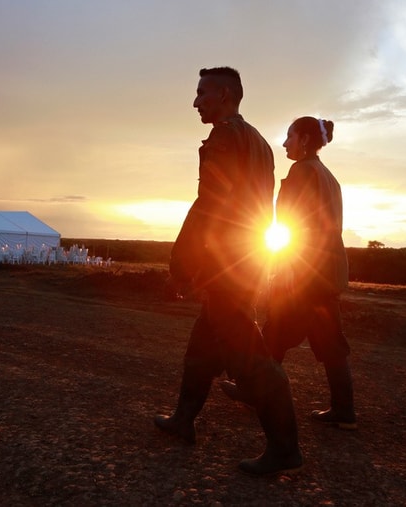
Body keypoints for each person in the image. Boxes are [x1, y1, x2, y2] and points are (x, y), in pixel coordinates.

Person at [153, 67, 303, 476]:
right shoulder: (259, 142)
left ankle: (284, 448)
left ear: (223, 95)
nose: (195, 102)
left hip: (228, 265)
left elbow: (209, 205)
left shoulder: (224, 138)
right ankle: (183, 419)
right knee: (204, 345)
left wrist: (181, 263)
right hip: (250, 258)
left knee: (251, 358)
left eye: (202, 93)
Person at [221, 116, 357, 430]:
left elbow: (298, 224)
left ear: (305, 140)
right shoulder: (328, 176)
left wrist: (289, 268)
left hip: (305, 272)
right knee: (327, 342)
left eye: (290, 137)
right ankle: (344, 409)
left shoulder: (302, 172)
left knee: (275, 333)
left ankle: (255, 392)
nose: (284, 143)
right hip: (327, 272)